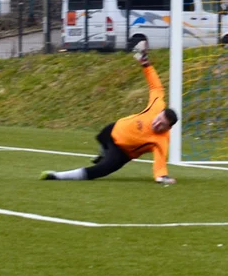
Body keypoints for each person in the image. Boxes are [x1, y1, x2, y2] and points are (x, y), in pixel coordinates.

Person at [39, 40, 178, 185]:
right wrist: (145, 63)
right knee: (100, 136)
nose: (157, 124)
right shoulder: (157, 105)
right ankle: (103, 152)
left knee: (101, 169)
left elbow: (160, 162)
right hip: (113, 129)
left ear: (168, 128)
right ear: (160, 113)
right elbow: (156, 87)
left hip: (121, 152)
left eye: (162, 125)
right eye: (158, 119)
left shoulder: (161, 141)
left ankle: (56, 176)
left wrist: (161, 177)